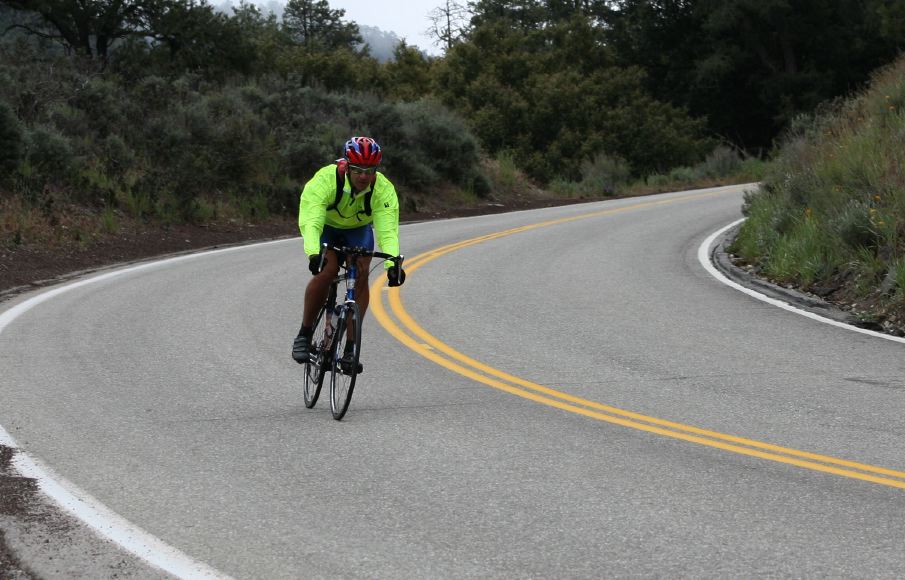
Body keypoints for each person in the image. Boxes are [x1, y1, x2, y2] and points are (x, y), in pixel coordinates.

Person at [292, 136, 406, 369]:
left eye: (370, 170)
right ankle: (304, 334)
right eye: (358, 170)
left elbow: (387, 230)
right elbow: (312, 219)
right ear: (346, 166)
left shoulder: (382, 189)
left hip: (358, 231)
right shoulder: (326, 179)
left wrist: (393, 264)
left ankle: (350, 350)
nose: (364, 176)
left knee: (362, 275)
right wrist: (314, 254)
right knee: (328, 270)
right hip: (327, 229)